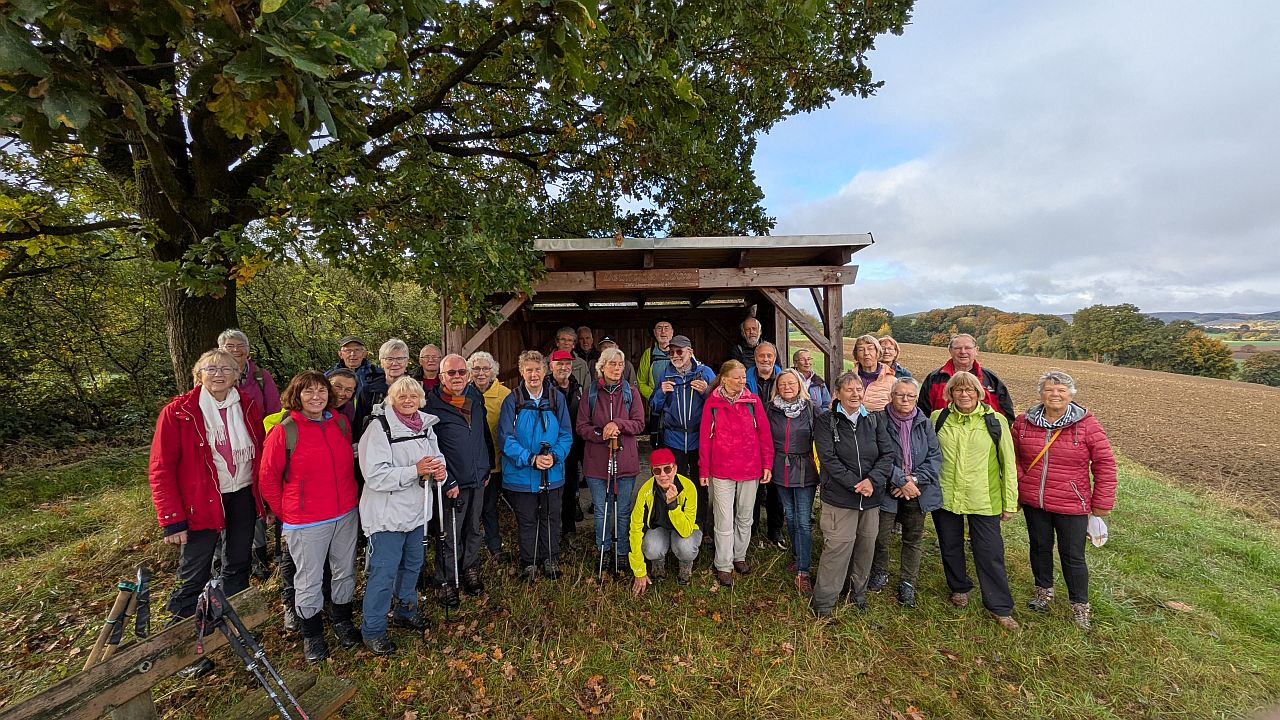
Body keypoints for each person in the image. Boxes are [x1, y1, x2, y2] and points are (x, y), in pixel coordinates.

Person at [148, 349, 265, 622]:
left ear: (237, 375)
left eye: (226, 369)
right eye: (211, 369)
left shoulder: (246, 404)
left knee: (238, 562)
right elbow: (161, 468)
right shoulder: (178, 412)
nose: (218, 374)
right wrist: (171, 519)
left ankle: (233, 619)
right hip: (201, 500)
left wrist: (264, 500)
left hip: (242, 494)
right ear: (198, 375)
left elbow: (260, 453)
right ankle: (181, 635)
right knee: (194, 570)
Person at [258, 371, 361, 662]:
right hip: (306, 520)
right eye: (309, 392)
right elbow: (267, 479)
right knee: (309, 579)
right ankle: (312, 635)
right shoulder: (285, 430)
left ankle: (342, 620)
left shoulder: (339, 422)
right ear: (297, 396)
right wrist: (288, 513)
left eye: (321, 392)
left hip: (345, 512)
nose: (316, 397)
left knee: (344, 571)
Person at [1012, 370, 1117, 630]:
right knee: (1039, 547)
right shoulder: (1024, 423)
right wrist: (1021, 481)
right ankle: (1043, 591)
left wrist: (1101, 502)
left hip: (1072, 502)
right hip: (1035, 500)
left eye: (1061, 390)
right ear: (1041, 393)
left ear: (1071, 394)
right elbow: (1011, 456)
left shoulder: (1087, 425)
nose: (1055, 394)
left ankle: (1079, 605)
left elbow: (1104, 463)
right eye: (1049, 389)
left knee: (1072, 555)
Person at [357, 376, 446, 655]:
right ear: (391, 398)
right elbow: (374, 476)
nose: (408, 401)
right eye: (401, 396)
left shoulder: (426, 425)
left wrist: (440, 470)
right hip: (387, 515)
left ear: (421, 399)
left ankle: (406, 611)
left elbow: (435, 457)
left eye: (413, 396)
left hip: (417, 511)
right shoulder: (379, 428)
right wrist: (414, 471)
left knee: (412, 565)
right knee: (383, 572)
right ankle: (373, 630)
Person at [931, 371, 1020, 630]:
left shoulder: (995, 421)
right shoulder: (939, 418)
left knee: (990, 552)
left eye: (970, 390)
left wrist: (1010, 501)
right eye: (958, 390)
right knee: (950, 545)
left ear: (979, 393)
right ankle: (959, 587)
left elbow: (1008, 463)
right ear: (950, 393)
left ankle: (1000, 606)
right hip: (947, 495)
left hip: (984, 497)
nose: (964, 394)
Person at [809, 373, 898, 617]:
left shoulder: (875, 420)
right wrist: (856, 484)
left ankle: (857, 592)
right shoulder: (826, 421)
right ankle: (825, 601)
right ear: (837, 394)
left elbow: (887, 454)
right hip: (840, 499)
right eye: (849, 390)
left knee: (865, 547)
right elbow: (828, 459)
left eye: (859, 389)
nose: (856, 394)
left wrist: (872, 481)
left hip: (871, 499)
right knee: (837, 549)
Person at [866, 377, 942, 608]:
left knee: (913, 538)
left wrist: (913, 481)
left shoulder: (924, 422)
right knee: (881, 536)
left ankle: (908, 582)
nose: (905, 399)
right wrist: (898, 479)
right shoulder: (878, 420)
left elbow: (935, 457)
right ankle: (880, 572)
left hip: (916, 490)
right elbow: (874, 454)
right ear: (891, 396)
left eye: (910, 395)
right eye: (900, 394)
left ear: (916, 398)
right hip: (887, 489)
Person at [424, 354, 493, 607]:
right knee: (449, 534)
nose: (456, 377)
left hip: (477, 477)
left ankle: (470, 569)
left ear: (468, 375)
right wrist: (448, 480)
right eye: (450, 373)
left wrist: (487, 468)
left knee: (474, 528)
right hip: (451, 483)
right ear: (441, 377)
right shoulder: (430, 406)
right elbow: (430, 448)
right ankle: (446, 581)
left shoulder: (475, 398)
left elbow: (484, 434)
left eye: (461, 372)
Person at [498, 351, 573, 580]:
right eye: (528, 370)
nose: (533, 374)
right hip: (522, 473)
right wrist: (530, 458)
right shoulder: (513, 400)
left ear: (545, 371)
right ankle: (529, 562)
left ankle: (550, 558)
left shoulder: (556, 398)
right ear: (521, 372)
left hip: (552, 471)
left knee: (551, 516)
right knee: (528, 519)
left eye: (537, 369)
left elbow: (566, 433)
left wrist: (555, 456)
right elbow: (505, 438)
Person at [699, 360, 773, 587]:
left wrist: (767, 463)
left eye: (743, 378)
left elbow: (764, 434)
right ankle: (723, 564)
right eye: (737, 378)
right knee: (723, 518)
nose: (742, 382)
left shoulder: (752, 401)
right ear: (724, 379)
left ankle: (739, 556)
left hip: (750, 467)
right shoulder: (712, 404)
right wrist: (704, 469)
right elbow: (705, 439)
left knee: (745, 517)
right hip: (721, 469)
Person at [577, 347, 646, 577]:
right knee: (601, 510)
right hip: (596, 462)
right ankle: (604, 549)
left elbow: (638, 423)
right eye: (612, 364)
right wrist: (601, 434)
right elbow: (582, 427)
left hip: (625, 460)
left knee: (624, 509)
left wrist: (618, 423)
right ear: (602, 367)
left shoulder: (631, 392)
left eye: (620, 364)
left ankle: (622, 552)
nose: (617, 369)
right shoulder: (590, 393)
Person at [219, 328, 280, 578]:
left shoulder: (260, 376)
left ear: (247, 349)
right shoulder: (214, 376)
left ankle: (259, 556)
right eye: (229, 346)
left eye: (239, 346)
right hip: (224, 450)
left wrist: (271, 446)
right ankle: (228, 559)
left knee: (255, 499)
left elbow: (275, 412)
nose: (235, 351)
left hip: (257, 447)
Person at [649, 335, 715, 537]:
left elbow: (718, 403)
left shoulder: (705, 373)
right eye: (671, 352)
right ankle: (673, 523)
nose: (675, 356)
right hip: (673, 438)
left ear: (690, 352)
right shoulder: (665, 375)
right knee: (672, 481)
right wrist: (660, 393)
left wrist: (707, 392)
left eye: (679, 351)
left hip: (698, 438)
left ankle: (699, 525)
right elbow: (653, 407)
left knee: (699, 484)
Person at [765, 369, 820, 596]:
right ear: (777, 387)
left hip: (805, 468)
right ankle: (798, 557)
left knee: (803, 520)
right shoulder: (771, 410)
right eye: (783, 384)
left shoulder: (810, 409)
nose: (787, 387)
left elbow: (821, 437)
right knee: (790, 515)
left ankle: (804, 571)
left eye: (791, 383)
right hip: (780, 467)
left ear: (799, 385)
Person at [629, 448, 702, 592]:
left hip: (684, 530)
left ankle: (685, 566)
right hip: (659, 529)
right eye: (657, 471)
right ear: (652, 472)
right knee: (651, 548)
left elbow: (686, 530)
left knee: (686, 547)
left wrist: (673, 506)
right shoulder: (645, 491)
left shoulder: (688, 487)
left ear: (675, 468)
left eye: (667, 469)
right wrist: (639, 570)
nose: (663, 475)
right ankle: (658, 565)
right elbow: (635, 529)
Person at [468, 351, 512, 561]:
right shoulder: (464, 393)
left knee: (497, 505)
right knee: (481, 507)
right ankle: (484, 546)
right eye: (476, 369)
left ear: (493, 370)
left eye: (485, 368)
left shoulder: (505, 394)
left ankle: (499, 544)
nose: (481, 373)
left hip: (502, 461)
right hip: (478, 464)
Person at [918, 334, 1015, 423]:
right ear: (950, 350)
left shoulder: (991, 380)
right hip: (944, 437)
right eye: (958, 348)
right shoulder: (934, 379)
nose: (963, 352)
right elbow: (922, 414)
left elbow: (1007, 416)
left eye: (968, 348)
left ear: (976, 350)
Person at [747, 342, 786, 548]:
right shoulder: (745, 380)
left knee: (775, 489)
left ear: (774, 358)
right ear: (755, 358)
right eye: (761, 356)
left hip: (777, 441)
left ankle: (775, 531)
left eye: (769, 356)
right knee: (751, 489)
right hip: (751, 443)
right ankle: (751, 532)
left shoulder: (783, 380)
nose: (765, 359)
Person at [549, 350, 585, 544]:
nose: (564, 367)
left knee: (571, 488)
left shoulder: (576, 388)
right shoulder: (545, 388)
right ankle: (551, 533)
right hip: (551, 448)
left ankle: (569, 530)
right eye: (559, 364)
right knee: (552, 491)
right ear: (551, 366)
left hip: (573, 446)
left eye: (567, 364)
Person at [354, 338, 412, 439]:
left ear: (407, 362)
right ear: (381, 363)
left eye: (400, 359)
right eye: (389, 359)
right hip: (376, 444)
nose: (394, 363)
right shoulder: (368, 391)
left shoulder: (418, 389)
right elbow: (359, 425)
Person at [851, 334, 897, 412]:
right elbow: (834, 406)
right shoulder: (847, 379)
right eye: (861, 350)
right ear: (856, 355)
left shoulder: (892, 382)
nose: (866, 353)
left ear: (878, 352)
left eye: (870, 349)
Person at [637, 318, 675, 402]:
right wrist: (654, 396)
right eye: (659, 328)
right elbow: (641, 382)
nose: (663, 331)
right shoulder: (649, 354)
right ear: (654, 332)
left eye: (666, 328)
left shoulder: (682, 352)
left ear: (672, 332)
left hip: (678, 402)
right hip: (656, 403)